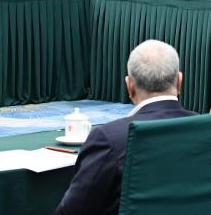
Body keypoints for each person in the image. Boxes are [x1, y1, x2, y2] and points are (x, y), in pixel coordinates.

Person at [57, 39, 195, 215]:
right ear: (180, 81)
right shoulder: (209, 129)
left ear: (129, 86)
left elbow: (73, 211)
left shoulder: (109, 139)